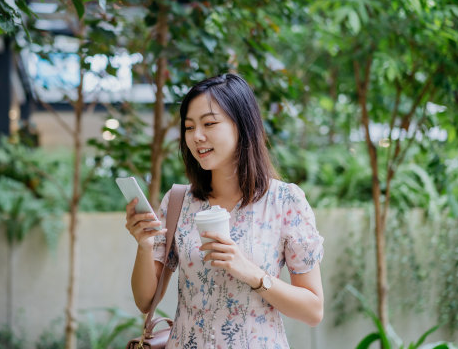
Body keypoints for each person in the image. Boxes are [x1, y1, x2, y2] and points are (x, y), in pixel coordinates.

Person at [125, 73, 324, 348]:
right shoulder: (179, 201)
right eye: (189, 127)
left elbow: (313, 310)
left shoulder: (285, 201)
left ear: (242, 126)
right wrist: (144, 246)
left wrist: (251, 273)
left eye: (209, 123)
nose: (197, 136)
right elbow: (145, 301)